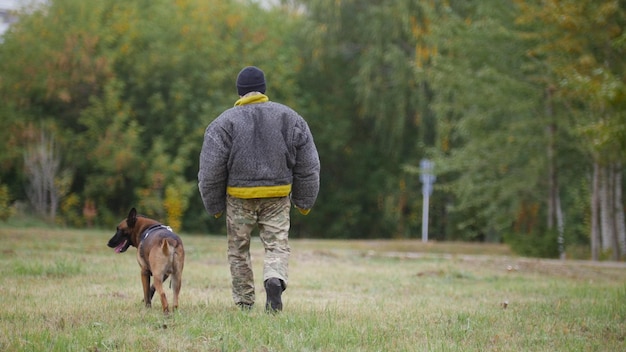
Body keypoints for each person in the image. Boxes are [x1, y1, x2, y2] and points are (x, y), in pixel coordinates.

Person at [198, 66, 320, 312]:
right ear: (263, 89)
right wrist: (304, 201)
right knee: (277, 245)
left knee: (238, 250)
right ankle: (274, 278)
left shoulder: (223, 123)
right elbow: (309, 165)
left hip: (238, 198)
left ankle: (244, 302)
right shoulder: (291, 118)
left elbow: (210, 169)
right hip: (277, 195)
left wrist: (214, 205)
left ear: (239, 91)